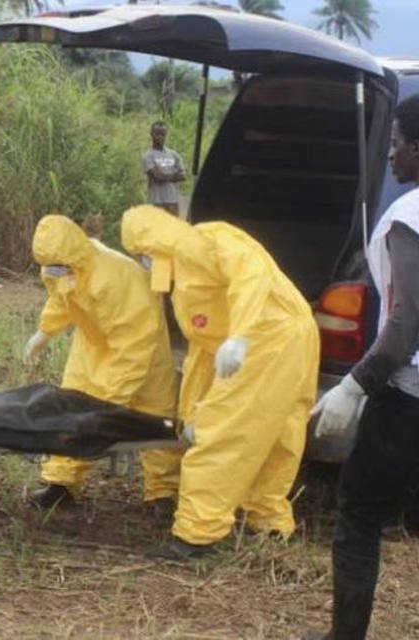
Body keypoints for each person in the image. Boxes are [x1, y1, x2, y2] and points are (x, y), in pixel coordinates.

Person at [120, 204, 319, 559]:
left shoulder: (211, 240)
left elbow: (252, 275)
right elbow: (202, 349)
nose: (146, 263)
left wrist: (241, 335)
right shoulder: (180, 276)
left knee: (226, 431)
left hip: (265, 338)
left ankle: (196, 535)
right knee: (278, 431)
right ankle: (267, 520)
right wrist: (192, 412)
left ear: (153, 242)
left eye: (143, 253)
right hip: (287, 336)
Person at [303, 95, 419, 640]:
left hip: (407, 398)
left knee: (359, 513)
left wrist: (353, 386)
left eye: (396, 145)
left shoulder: (409, 217)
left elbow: (404, 327)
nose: (392, 157)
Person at [21, 214, 180, 511]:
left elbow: (133, 350)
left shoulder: (114, 279)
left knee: (155, 416)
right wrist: (44, 332)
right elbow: (61, 298)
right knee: (72, 410)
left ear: (75, 257)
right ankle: (61, 485)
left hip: (142, 346)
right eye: (49, 267)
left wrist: (108, 400)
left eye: (59, 267)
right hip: (92, 345)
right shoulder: (59, 266)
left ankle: (162, 492)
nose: (53, 272)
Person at [142, 121, 185, 215]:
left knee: (173, 228)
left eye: (162, 134)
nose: (160, 137)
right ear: (151, 134)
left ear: (166, 134)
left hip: (173, 201)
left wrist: (162, 175)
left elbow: (182, 176)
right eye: (157, 134)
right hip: (156, 202)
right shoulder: (148, 155)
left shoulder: (174, 155)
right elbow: (156, 177)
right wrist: (173, 176)